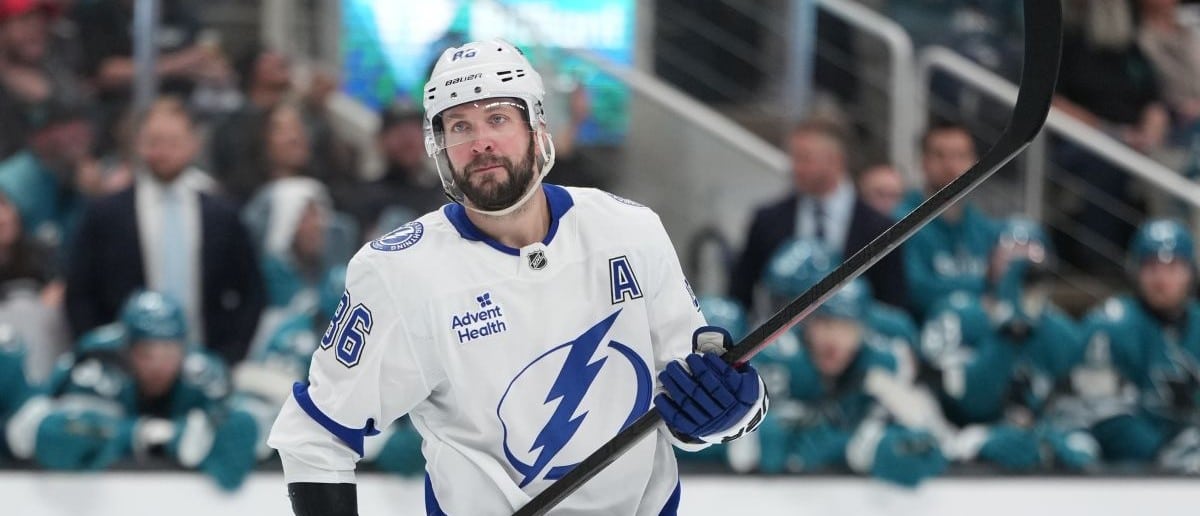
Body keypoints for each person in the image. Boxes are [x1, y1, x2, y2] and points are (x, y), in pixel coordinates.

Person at [268, 39, 769, 515]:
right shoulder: (399, 272)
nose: (480, 141)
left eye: (498, 118)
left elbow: (691, 403)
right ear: (440, 145)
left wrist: (736, 409)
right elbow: (315, 436)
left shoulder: (630, 231)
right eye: (459, 126)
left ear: (536, 127)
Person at [64, 97, 263, 366]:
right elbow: (80, 292)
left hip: (206, 358)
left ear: (194, 144)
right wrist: (102, 354)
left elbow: (251, 290)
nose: (164, 152)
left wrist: (229, 355)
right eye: (154, 141)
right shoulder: (106, 214)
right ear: (138, 144)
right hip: (125, 364)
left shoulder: (222, 215)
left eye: (174, 142)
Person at [4, 291, 257, 489]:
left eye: (170, 353)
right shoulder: (96, 365)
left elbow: (241, 431)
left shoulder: (202, 371)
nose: (160, 367)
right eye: (148, 354)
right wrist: (147, 435)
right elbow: (76, 436)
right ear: (128, 349)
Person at [919, 218, 1098, 472]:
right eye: (1010, 255)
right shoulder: (955, 315)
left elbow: (1079, 405)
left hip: (1038, 445)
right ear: (991, 260)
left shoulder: (1062, 331)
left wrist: (1052, 438)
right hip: (962, 443)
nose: (1019, 266)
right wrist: (1009, 329)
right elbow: (965, 401)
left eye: (1030, 256)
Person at [746, 276, 947, 487]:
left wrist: (862, 447)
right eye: (826, 323)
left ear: (864, 328)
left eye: (847, 326)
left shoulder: (882, 367)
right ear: (806, 322)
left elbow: (932, 444)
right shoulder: (780, 360)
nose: (835, 339)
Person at [729, 119, 906, 312]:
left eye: (805, 159)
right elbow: (740, 293)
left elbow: (892, 302)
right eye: (794, 158)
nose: (796, 167)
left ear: (835, 161)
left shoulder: (879, 226)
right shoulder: (767, 219)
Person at [1069, 219, 1200, 472]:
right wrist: (1163, 454)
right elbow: (1104, 415)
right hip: (1119, 468)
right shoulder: (1108, 326)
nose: (1162, 279)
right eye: (1152, 267)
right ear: (1136, 271)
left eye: (1173, 268)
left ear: (1190, 273)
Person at [896, 121, 999, 318]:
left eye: (960, 156)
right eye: (940, 155)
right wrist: (983, 284)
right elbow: (917, 291)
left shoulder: (983, 225)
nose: (950, 165)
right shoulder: (899, 221)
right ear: (923, 161)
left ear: (975, 162)